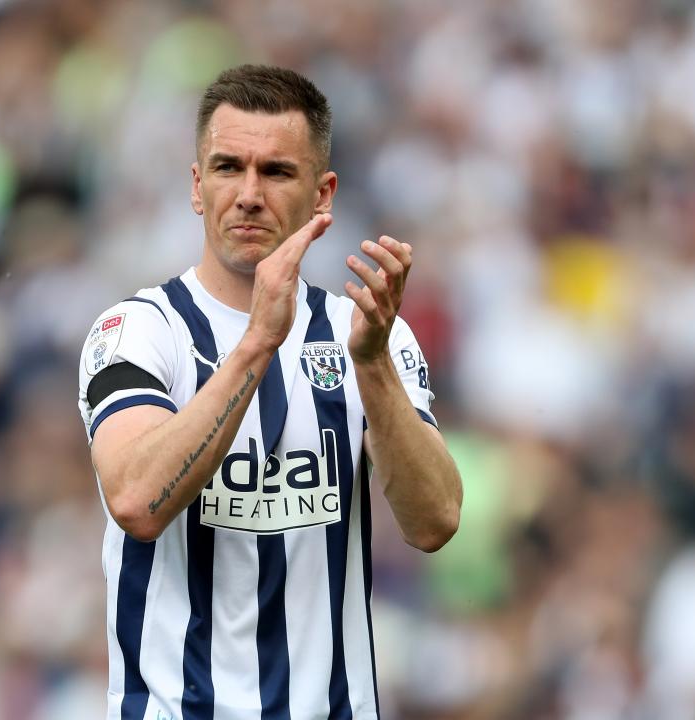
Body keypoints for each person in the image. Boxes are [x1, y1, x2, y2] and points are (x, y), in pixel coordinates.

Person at [77, 64, 462, 720]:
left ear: (322, 194)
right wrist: (257, 341)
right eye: (229, 167)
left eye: (277, 172)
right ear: (197, 187)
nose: (249, 194)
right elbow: (137, 500)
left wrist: (370, 367)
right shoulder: (136, 331)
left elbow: (434, 522)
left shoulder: (366, 332)